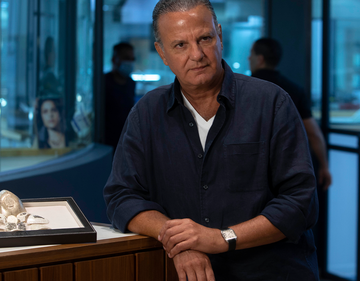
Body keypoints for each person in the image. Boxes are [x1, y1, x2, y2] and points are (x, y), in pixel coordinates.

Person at [104, 0, 319, 280]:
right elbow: (121, 196)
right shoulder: (146, 113)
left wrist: (220, 238)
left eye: (204, 38)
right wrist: (179, 241)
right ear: (162, 53)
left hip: (270, 272)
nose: (197, 54)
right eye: (180, 45)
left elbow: (299, 203)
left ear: (219, 35)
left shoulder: (271, 103)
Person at [249, 37, 332, 191]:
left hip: (251, 167)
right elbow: (313, 132)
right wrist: (324, 166)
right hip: (288, 167)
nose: (248, 58)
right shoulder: (294, 89)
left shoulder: (242, 90)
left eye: (251, 54)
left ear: (260, 59)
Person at [104, 42, 136, 153]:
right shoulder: (103, 83)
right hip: (106, 143)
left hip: (126, 142)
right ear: (114, 60)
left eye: (132, 59)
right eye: (126, 58)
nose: (130, 62)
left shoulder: (131, 83)